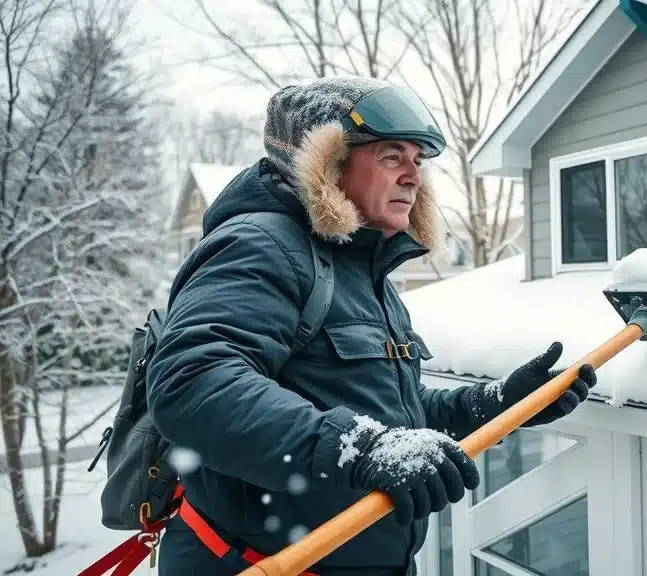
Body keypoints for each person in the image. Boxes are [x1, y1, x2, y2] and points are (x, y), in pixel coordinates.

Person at [145, 75, 598, 576]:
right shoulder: (261, 245)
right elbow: (194, 383)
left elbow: (388, 411)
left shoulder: (360, 266)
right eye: (392, 157)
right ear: (327, 163)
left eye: (418, 161)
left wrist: (495, 405)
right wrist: (359, 450)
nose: (414, 177)